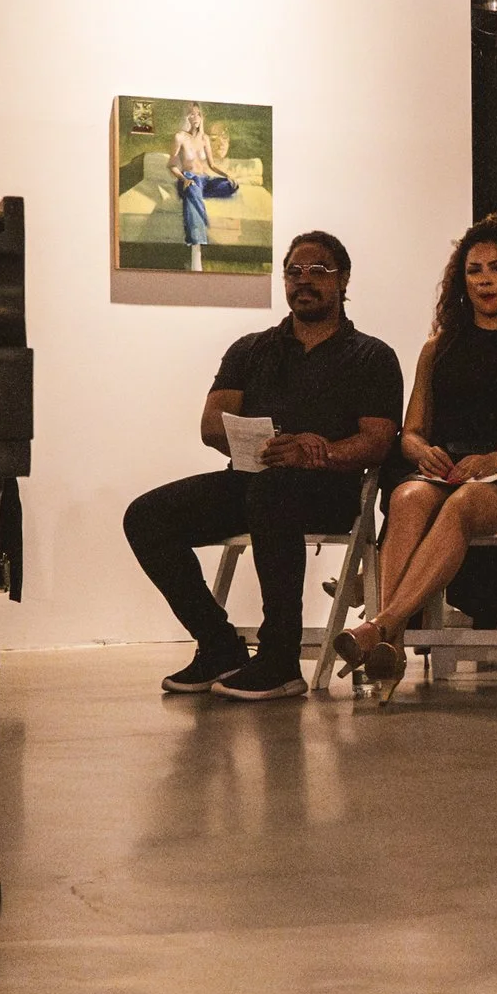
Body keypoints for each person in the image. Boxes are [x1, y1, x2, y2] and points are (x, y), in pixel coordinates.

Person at [123, 231, 402, 700]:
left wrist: (315, 452)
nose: (304, 280)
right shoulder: (251, 349)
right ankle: (219, 645)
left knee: (273, 493)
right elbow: (212, 423)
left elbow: (377, 442)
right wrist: (271, 443)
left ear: (343, 280)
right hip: (252, 481)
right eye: (294, 272)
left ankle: (280, 659)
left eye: (318, 271)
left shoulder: (371, 355)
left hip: (329, 491)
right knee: (146, 516)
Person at [331, 215, 497, 699]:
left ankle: (382, 627)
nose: (485, 280)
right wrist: (424, 453)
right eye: (474, 270)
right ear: (461, 282)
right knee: (407, 498)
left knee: (463, 504)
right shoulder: (438, 348)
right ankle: (390, 646)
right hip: (447, 468)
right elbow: (411, 432)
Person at [170, 104, 238, 275]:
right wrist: (184, 179)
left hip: (204, 180)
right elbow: (172, 165)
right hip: (188, 178)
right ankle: (196, 249)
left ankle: (196, 193)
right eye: (191, 114)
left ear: (202, 117)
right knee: (193, 187)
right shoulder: (180, 137)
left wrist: (227, 175)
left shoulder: (205, 138)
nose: (195, 118)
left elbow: (212, 165)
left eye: (198, 114)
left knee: (230, 186)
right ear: (185, 117)